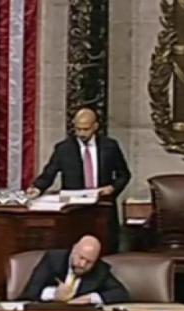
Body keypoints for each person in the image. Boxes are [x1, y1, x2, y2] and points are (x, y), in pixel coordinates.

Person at [26, 108, 130, 252]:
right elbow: (49, 173)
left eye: (86, 129)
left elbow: (124, 175)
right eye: (78, 129)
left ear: (95, 126)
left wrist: (112, 188)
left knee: (106, 248)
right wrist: (37, 188)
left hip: (102, 207)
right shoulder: (63, 149)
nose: (81, 133)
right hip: (74, 210)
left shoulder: (110, 146)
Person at [19, 235, 129, 304]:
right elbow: (31, 292)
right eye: (81, 258)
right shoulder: (53, 259)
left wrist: (89, 298)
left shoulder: (99, 269)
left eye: (89, 262)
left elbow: (120, 293)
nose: (82, 264)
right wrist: (54, 294)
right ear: (74, 250)